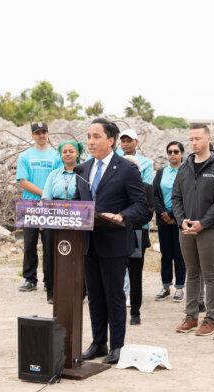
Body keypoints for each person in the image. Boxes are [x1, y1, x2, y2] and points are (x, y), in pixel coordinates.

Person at [74, 118, 148, 365]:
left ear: (111, 140)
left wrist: (121, 216)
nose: (90, 141)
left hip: (115, 242)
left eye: (96, 136)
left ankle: (117, 346)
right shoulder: (83, 168)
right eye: (88, 136)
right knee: (94, 295)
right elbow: (78, 202)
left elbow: (141, 206)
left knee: (114, 295)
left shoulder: (126, 168)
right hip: (88, 243)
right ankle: (98, 342)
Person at [173, 124, 214, 337]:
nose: (193, 142)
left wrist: (203, 223)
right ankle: (191, 316)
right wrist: (181, 221)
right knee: (192, 272)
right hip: (186, 229)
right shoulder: (185, 167)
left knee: (210, 272)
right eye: (191, 139)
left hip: (209, 229)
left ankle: (211, 318)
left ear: (208, 139)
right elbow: (176, 198)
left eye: (197, 138)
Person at [15, 122, 62, 293]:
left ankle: (49, 280)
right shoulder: (25, 156)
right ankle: (30, 279)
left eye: (44, 132)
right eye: (37, 133)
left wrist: (48, 196)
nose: (41, 135)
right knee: (29, 243)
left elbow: (59, 178)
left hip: (51, 205)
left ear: (48, 134)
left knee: (49, 244)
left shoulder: (56, 156)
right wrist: (44, 193)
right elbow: (23, 181)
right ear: (32, 135)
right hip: (30, 204)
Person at [41, 140, 84, 303]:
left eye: (71, 151)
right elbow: (46, 197)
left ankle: (79, 290)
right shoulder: (53, 174)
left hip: (78, 217)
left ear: (77, 153)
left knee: (78, 254)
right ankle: (52, 291)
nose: (67, 154)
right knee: (52, 253)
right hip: (54, 217)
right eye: (64, 151)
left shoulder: (84, 173)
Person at [116, 128, 154, 305]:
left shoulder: (146, 164)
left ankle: (134, 295)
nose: (125, 143)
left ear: (136, 142)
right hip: (118, 227)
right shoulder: (114, 158)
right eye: (122, 140)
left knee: (135, 262)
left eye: (128, 140)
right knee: (119, 261)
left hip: (138, 227)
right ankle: (122, 292)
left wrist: (127, 219)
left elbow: (145, 204)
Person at [122, 155, 154, 325]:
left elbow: (148, 212)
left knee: (135, 275)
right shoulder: (117, 186)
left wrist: (125, 221)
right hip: (117, 234)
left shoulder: (147, 188)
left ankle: (135, 312)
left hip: (135, 234)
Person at [153, 141, 187, 302]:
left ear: (182, 154)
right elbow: (154, 195)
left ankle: (180, 287)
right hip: (163, 220)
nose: (172, 155)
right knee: (166, 254)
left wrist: (174, 215)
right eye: (170, 152)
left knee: (179, 255)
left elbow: (187, 196)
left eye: (175, 151)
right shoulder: (161, 173)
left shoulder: (187, 172)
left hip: (180, 220)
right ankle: (166, 286)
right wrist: (163, 213)